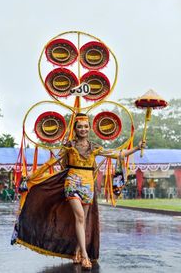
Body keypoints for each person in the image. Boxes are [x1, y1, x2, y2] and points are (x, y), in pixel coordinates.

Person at [11, 113, 145, 270]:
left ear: (89, 129)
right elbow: (52, 162)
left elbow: (117, 154)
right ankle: (85, 256)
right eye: (80, 127)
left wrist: (136, 148)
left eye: (86, 126)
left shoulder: (94, 147)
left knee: (82, 220)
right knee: (80, 217)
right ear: (75, 129)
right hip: (72, 183)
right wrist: (33, 176)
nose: (83, 129)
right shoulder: (69, 146)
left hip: (88, 185)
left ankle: (76, 251)